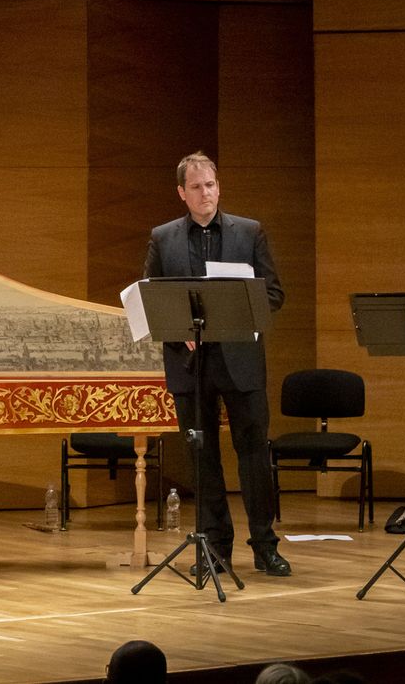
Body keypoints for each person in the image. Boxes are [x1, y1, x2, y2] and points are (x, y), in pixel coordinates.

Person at [143, 151, 290, 577]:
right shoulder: (163, 237)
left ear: (219, 187)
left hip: (240, 359)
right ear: (181, 193)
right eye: (195, 187)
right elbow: (152, 301)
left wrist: (235, 314)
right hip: (191, 364)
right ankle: (215, 548)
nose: (205, 193)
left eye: (210, 185)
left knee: (253, 456)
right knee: (202, 458)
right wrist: (178, 331)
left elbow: (274, 293)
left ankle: (265, 545)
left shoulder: (249, 232)